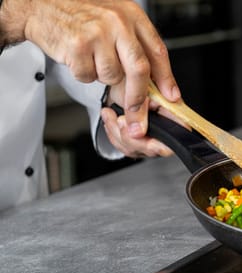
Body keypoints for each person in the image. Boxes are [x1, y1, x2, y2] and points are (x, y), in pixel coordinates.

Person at [0, 0, 180, 211]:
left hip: (31, 204)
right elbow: (34, 15)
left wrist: (115, 89)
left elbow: (49, 47)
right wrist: (22, 12)